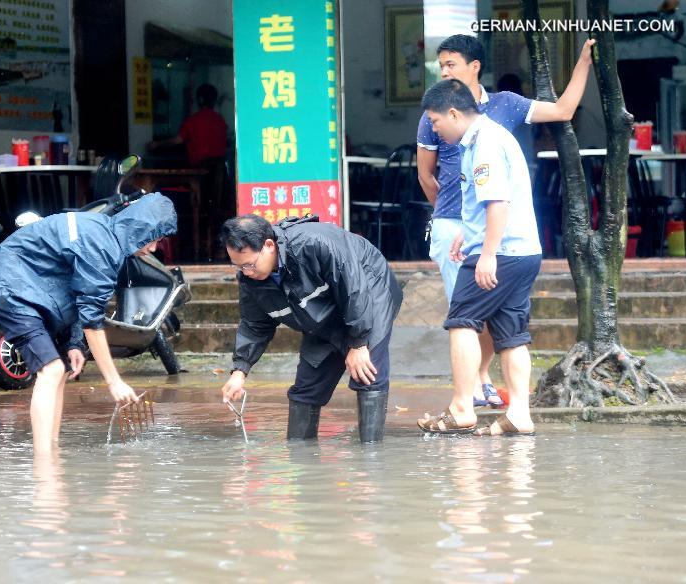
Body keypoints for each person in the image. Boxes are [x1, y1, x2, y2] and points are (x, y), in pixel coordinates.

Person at [416, 34, 594, 409]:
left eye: (451, 64)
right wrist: (458, 220)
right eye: (441, 66)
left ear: (474, 66)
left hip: (494, 231)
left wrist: (584, 63)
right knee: (480, 318)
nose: (444, 71)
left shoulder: (500, 112)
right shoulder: (434, 113)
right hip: (460, 225)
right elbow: (425, 176)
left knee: (467, 317)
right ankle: (498, 400)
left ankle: (469, 397)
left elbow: (562, 110)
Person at [0, 194, 178, 453]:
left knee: (63, 370)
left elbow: (77, 295)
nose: (154, 248)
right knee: (52, 370)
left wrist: (73, 343)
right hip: (10, 287)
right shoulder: (103, 247)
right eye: (155, 239)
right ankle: (43, 461)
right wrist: (113, 381)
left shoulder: (103, 234)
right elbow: (92, 319)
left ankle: (51, 450)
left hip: (32, 289)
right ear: (141, 229)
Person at [417, 79, 541, 436]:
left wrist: (486, 253)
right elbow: (485, 201)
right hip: (522, 251)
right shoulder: (487, 137)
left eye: (436, 122)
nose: (435, 129)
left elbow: (497, 201)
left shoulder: (484, 142)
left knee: (461, 321)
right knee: (511, 334)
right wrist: (466, 234)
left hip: (500, 251)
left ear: (454, 113)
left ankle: (462, 407)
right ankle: (519, 413)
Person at [219, 214, 403, 443]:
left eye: (249, 264)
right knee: (307, 388)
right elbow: (255, 325)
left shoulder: (314, 243)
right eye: (238, 266)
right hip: (321, 314)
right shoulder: (251, 280)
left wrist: (358, 343)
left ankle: (371, 461)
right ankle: (300, 456)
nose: (246, 272)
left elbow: (354, 289)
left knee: (367, 374)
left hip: (369, 293)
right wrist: (240, 371)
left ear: (268, 245)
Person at [148, 83, 228, 168]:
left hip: (200, 171)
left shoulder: (193, 120)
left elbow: (177, 140)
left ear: (200, 100)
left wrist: (157, 144)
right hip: (220, 171)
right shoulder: (221, 121)